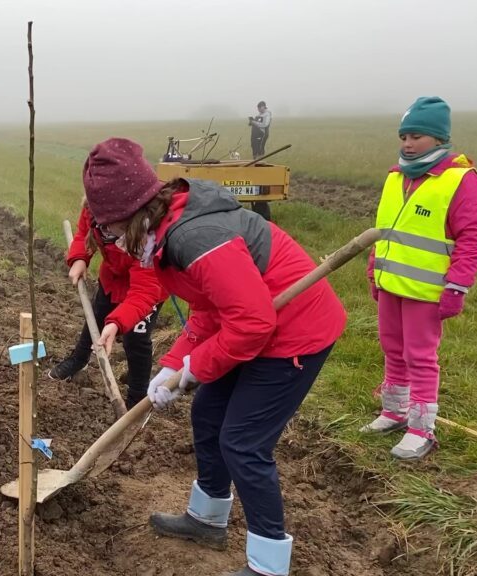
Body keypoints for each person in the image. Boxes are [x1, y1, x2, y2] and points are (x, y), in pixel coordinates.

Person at [86, 139, 346, 576]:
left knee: (244, 442)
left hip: (295, 334)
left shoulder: (196, 236)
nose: (109, 239)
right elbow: (210, 306)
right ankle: (207, 519)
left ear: (130, 213)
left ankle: (268, 565)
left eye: (109, 229)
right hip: (254, 323)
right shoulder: (166, 232)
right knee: (208, 414)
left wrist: (195, 368)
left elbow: (251, 324)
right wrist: (175, 362)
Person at [362, 97, 477, 460]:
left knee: (420, 356)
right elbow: (382, 229)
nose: (407, 143)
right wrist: (374, 270)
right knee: (392, 349)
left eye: (416, 136)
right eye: (403, 135)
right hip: (391, 285)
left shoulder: (460, 180)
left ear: (438, 138)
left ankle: (421, 428)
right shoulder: (395, 176)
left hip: (428, 290)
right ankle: (394, 411)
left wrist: (457, 285)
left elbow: (473, 236)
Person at [49, 199, 167, 409]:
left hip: (147, 289)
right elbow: (84, 232)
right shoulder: (94, 208)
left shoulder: (148, 232)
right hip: (112, 279)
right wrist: (80, 258)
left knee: (136, 341)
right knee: (96, 317)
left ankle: (138, 396)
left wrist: (117, 323)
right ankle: (79, 359)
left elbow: (145, 291)